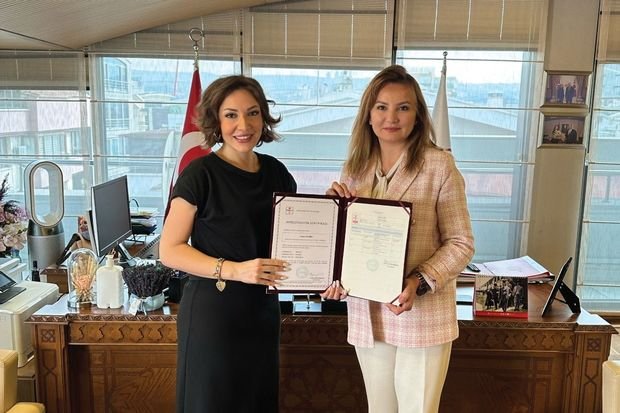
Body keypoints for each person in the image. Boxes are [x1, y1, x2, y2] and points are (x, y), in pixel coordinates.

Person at [322, 65, 475, 413]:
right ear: (368, 114)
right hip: (368, 317)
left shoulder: (439, 165)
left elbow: (461, 242)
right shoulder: (355, 169)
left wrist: (418, 281)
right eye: (381, 107)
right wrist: (334, 214)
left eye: (403, 107)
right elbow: (347, 243)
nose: (391, 117)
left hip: (420, 316)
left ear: (417, 115)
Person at [159, 75, 297, 413]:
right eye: (231, 115)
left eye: (252, 113)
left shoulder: (277, 173)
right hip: (214, 315)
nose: (243, 125)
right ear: (216, 120)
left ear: (263, 117)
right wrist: (235, 270)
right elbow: (169, 250)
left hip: (263, 311)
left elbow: (294, 235)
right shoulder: (200, 174)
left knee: (257, 403)